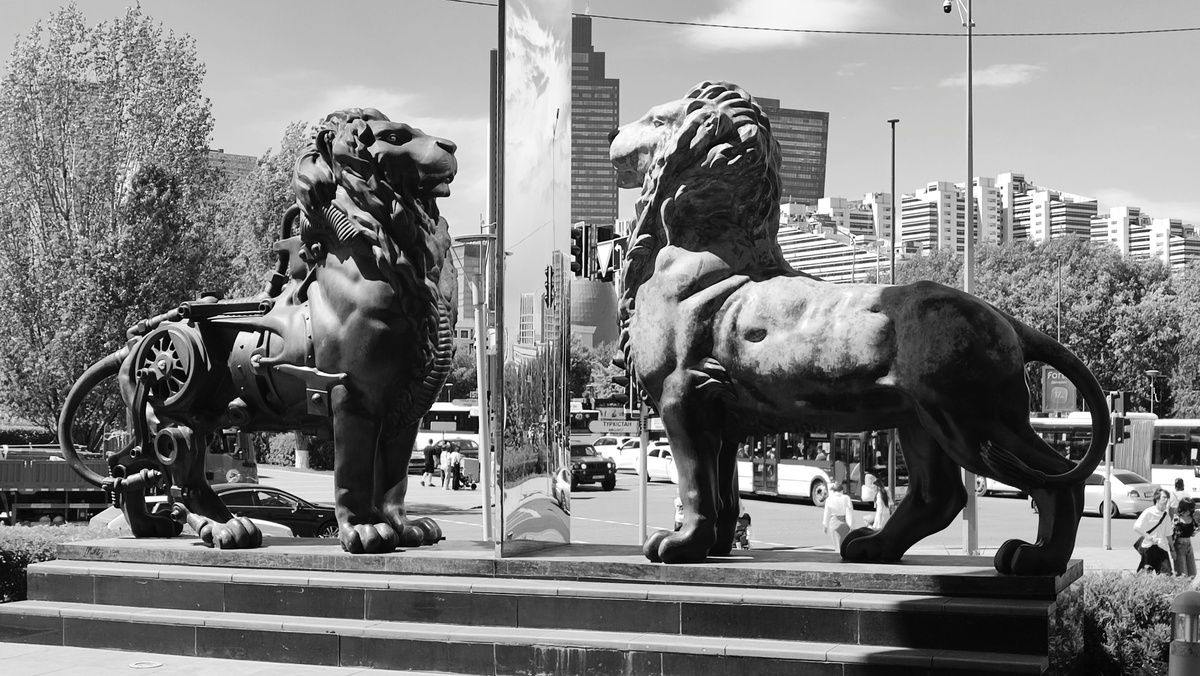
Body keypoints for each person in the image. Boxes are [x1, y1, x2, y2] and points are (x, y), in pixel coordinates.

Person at [1134, 488, 1174, 574]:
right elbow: (1136, 527)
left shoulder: (1166, 516)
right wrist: (1148, 536)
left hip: (1162, 547)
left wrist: (1172, 550)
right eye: (1164, 497)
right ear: (1157, 499)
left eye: (1167, 498)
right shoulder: (1148, 512)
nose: (1166, 500)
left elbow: (1169, 534)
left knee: (1167, 575)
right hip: (1149, 548)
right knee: (1144, 575)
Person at [822, 481, 854, 551]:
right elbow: (849, 512)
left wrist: (825, 525)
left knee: (837, 545)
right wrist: (851, 525)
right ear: (842, 490)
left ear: (833, 491)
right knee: (844, 544)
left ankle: (838, 552)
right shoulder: (846, 498)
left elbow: (827, 513)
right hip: (844, 522)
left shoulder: (829, 499)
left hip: (834, 522)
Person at [1174, 497, 1197, 578]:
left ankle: (1189, 585)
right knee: (1182, 572)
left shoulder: (1192, 518)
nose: (1188, 512)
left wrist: (1195, 531)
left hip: (1189, 544)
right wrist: (1172, 549)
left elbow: (1194, 529)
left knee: (1192, 572)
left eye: (1190, 510)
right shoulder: (1177, 518)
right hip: (1179, 545)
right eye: (1186, 510)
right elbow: (1172, 534)